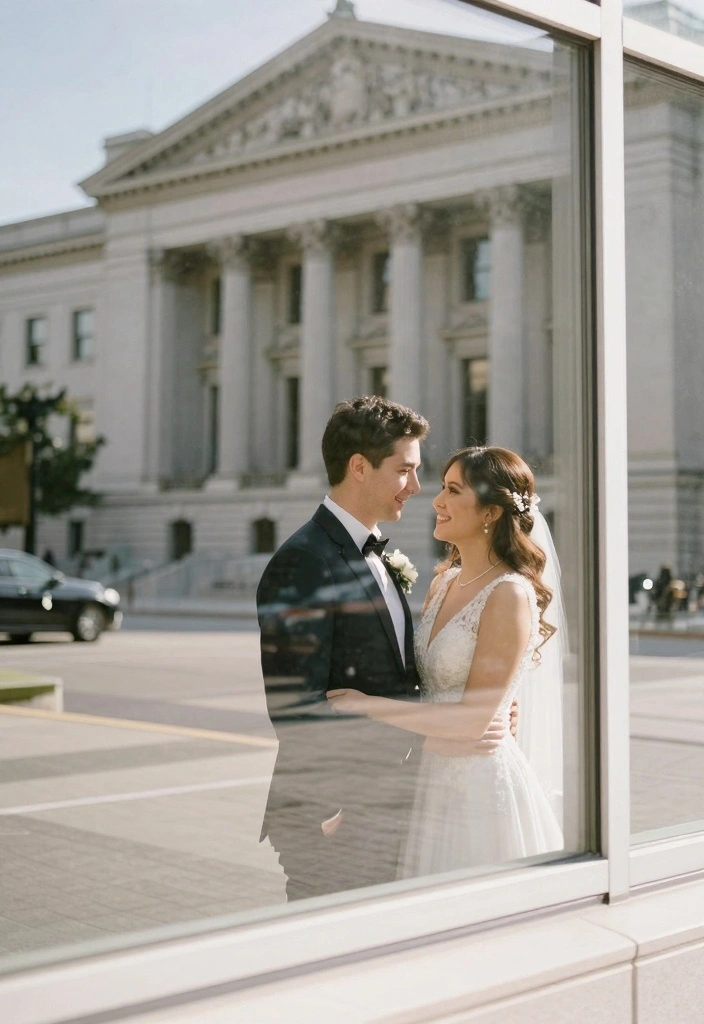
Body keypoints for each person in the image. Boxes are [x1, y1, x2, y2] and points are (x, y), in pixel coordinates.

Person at [256, 398, 511, 901]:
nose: (417, 488)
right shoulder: (304, 561)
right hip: (337, 814)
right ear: (358, 467)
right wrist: (344, 806)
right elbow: (296, 707)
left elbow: (403, 676)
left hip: (391, 807)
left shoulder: (372, 551)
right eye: (405, 470)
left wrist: (484, 707)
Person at [328, 446, 564, 875]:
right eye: (442, 488)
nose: (437, 501)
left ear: (491, 512)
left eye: (453, 490)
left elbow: (473, 722)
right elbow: (433, 687)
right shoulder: (444, 582)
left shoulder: (508, 594)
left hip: (478, 786)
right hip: (431, 780)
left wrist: (364, 704)